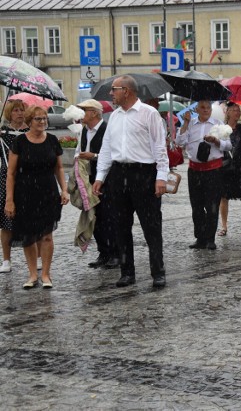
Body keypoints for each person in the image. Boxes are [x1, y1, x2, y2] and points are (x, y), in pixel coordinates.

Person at [92, 75, 169, 288]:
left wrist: (161, 176)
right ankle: (127, 272)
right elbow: (107, 149)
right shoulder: (114, 116)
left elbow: (159, 147)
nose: (111, 93)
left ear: (126, 91)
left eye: (114, 89)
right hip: (118, 174)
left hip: (144, 173)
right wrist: (100, 177)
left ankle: (158, 272)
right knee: (121, 226)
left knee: (151, 226)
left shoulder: (149, 113)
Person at [4, 105, 70, 289]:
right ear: (29, 121)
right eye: (38, 119)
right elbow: (11, 173)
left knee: (47, 236)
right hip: (24, 193)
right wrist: (9, 200)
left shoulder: (52, 140)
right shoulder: (19, 142)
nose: (42, 122)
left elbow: (58, 167)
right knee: (29, 236)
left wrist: (64, 189)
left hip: (48, 192)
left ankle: (46, 275)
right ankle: (33, 274)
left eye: (44, 119)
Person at [176, 99, 231, 250]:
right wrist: (185, 123)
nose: (206, 110)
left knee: (212, 206)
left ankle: (210, 238)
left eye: (208, 107)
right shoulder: (191, 123)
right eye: (202, 107)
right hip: (194, 170)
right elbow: (179, 141)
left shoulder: (218, 124)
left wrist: (217, 141)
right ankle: (200, 238)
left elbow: (229, 145)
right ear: (197, 110)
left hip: (213, 170)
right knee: (197, 206)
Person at [74, 99, 118, 268]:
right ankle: (103, 252)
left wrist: (94, 156)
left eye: (84, 110)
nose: (81, 114)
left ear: (93, 112)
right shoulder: (84, 131)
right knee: (95, 217)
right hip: (90, 179)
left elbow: (115, 155)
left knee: (110, 217)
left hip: (108, 179)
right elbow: (80, 151)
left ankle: (115, 253)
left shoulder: (108, 129)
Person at [0, 99, 29, 273]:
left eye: (21, 110)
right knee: (6, 221)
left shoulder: (30, 132)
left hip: (27, 177)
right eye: (15, 110)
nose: (19, 113)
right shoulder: (3, 133)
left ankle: (36, 257)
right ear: (9, 113)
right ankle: (6, 260)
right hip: (5, 178)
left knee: (32, 219)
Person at [218, 101, 241, 236]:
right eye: (235, 110)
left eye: (239, 110)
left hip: (240, 165)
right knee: (223, 197)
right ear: (228, 112)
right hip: (225, 166)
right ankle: (224, 226)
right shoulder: (221, 128)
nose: (237, 112)